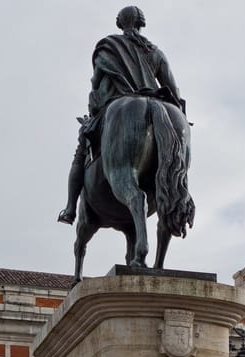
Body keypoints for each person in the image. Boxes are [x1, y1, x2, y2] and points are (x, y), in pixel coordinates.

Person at [58, 5, 183, 224]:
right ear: (140, 23)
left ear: (120, 22)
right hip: (159, 102)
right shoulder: (156, 53)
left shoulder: (109, 46)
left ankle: (70, 208)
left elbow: (96, 83)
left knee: (81, 150)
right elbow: (172, 89)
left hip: (116, 104)